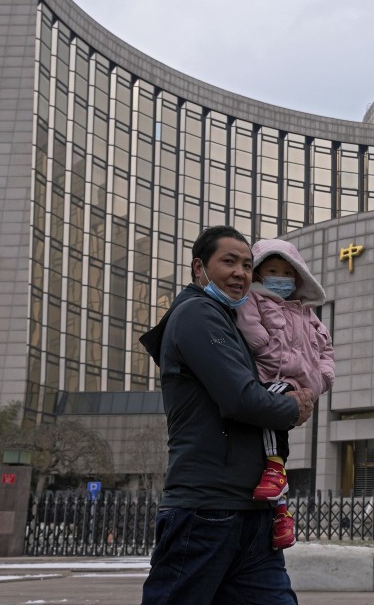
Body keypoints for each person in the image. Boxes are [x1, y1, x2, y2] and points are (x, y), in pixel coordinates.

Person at [139, 226, 314, 605]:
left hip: (251, 512)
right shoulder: (197, 314)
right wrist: (293, 407)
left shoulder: (231, 320)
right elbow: (241, 399)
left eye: (248, 266)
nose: (240, 273)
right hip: (205, 510)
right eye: (229, 262)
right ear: (199, 268)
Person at [236, 238, 335, 550]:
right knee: (271, 415)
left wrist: (320, 381)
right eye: (272, 271)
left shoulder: (307, 313)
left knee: (272, 428)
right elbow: (249, 327)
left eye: (287, 272)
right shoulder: (252, 298)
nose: (281, 278)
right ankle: (279, 499)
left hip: (301, 385)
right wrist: (265, 346)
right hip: (269, 378)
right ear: (259, 274)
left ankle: (279, 498)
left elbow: (326, 350)